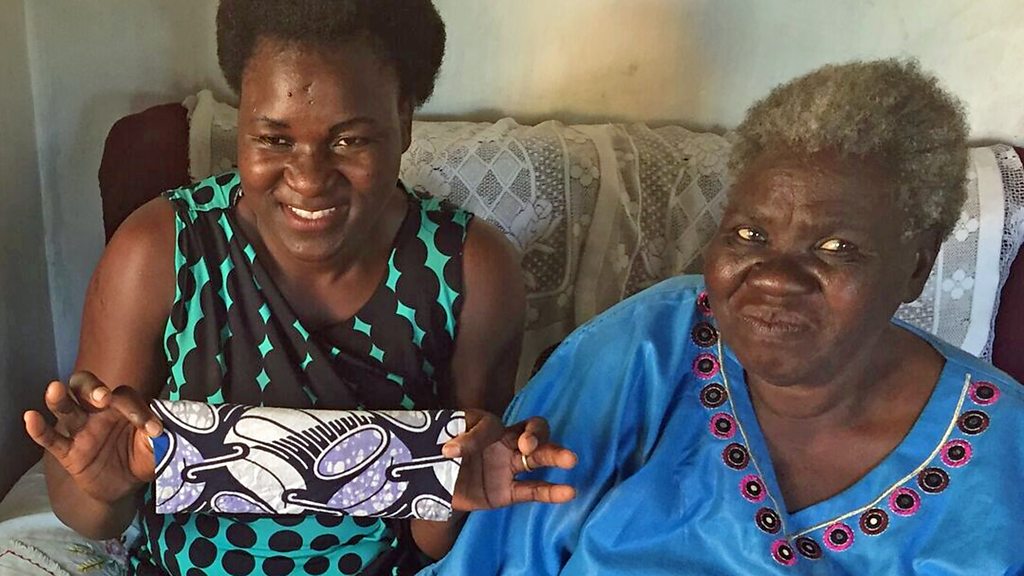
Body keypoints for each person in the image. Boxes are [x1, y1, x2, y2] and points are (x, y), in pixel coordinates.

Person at [22, 1, 576, 575]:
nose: (309, 179)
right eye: (274, 139)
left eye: (349, 141)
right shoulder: (161, 251)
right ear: (242, 122)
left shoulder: (469, 270)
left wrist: (457, 487)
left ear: (404, 121)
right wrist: (105, 483)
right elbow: (89, 510)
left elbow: (441, 536)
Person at [424, 59, 1024, 575]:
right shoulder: (648, 347)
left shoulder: (1005, 455)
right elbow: (494, 558)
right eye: (749, 235)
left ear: (916, 267)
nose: (774, 277)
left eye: (836, 247)